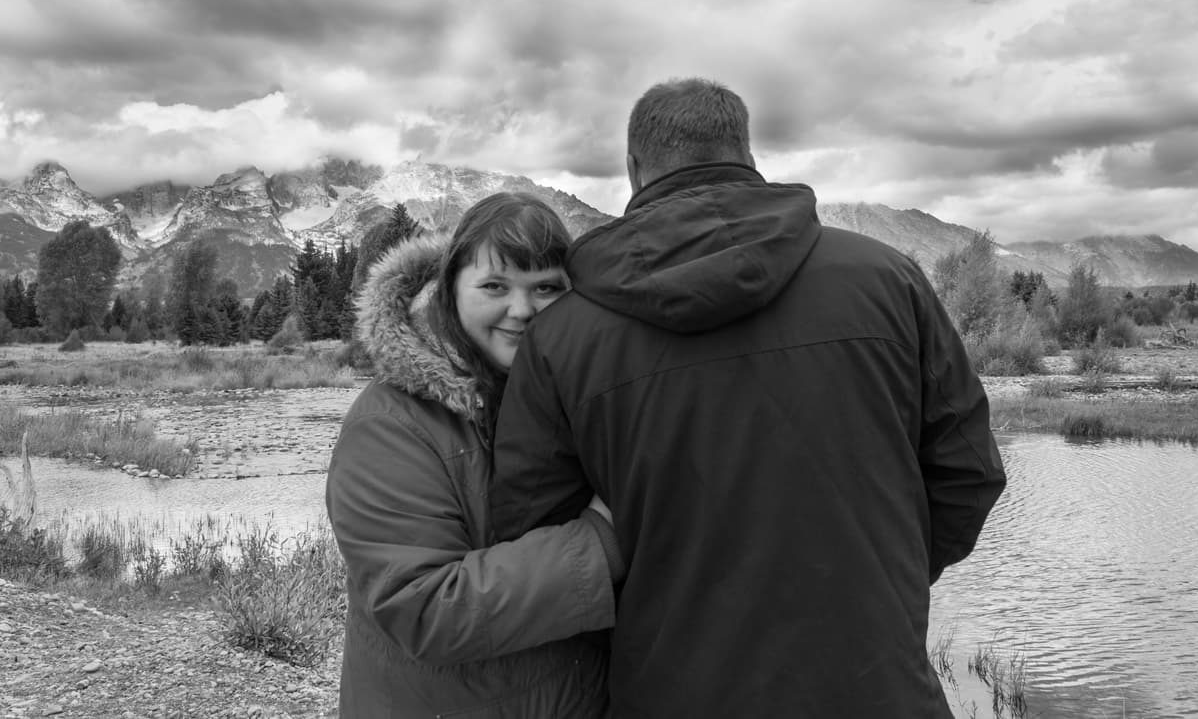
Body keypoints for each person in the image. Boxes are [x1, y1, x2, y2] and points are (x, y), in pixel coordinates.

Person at [490, 78, 1007, 718]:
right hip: (879, 689)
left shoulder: (561, 336)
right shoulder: (889, 280)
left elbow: (531, 536)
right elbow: (969, 474)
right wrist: (879, 582)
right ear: (747, 153)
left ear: (632, 169)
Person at [325, 192, 624, 718]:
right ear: (450, 291)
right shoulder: (390, 423)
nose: (522, 309)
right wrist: (601, 542)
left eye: (547, 288)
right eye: (494, 286)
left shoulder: (578, 402)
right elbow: (424, 605)